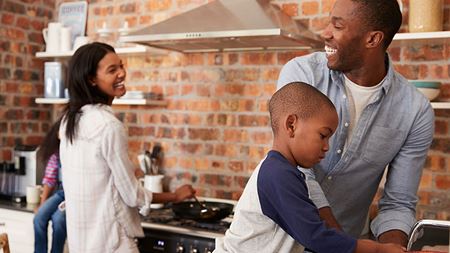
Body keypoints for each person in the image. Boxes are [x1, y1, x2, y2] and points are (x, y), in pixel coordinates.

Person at [277, 0, 434, 247]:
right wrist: (348, 247)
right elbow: (297, 172)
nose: (325, 33)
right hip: (279, 242)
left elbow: (398, 204)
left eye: (337, 26)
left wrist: (393, 249)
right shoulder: (302, 75)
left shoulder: (415, 111)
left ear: (372, 39)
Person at [215, 82, 405, 253]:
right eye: (323, 135)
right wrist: (378, 250)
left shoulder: (285, 172)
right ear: (291, 125)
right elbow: (316, 237)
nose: (327, 146)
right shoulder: (277, 174)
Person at [58, 42, 196, 253]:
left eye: (121, 66)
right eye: (112, 70)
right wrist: (175, 196)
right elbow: (132, 195)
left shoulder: (70, 120)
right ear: (91, 79)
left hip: (81, 245)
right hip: (113, 244)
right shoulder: (109, 126)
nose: (122, 73)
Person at [34, 119, 66, 253]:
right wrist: (42, 203)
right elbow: (49, 180)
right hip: (60, 193)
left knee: (58, 220)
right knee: (39, 217)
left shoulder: (78, 153)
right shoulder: (57, 155)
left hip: (74, 195)